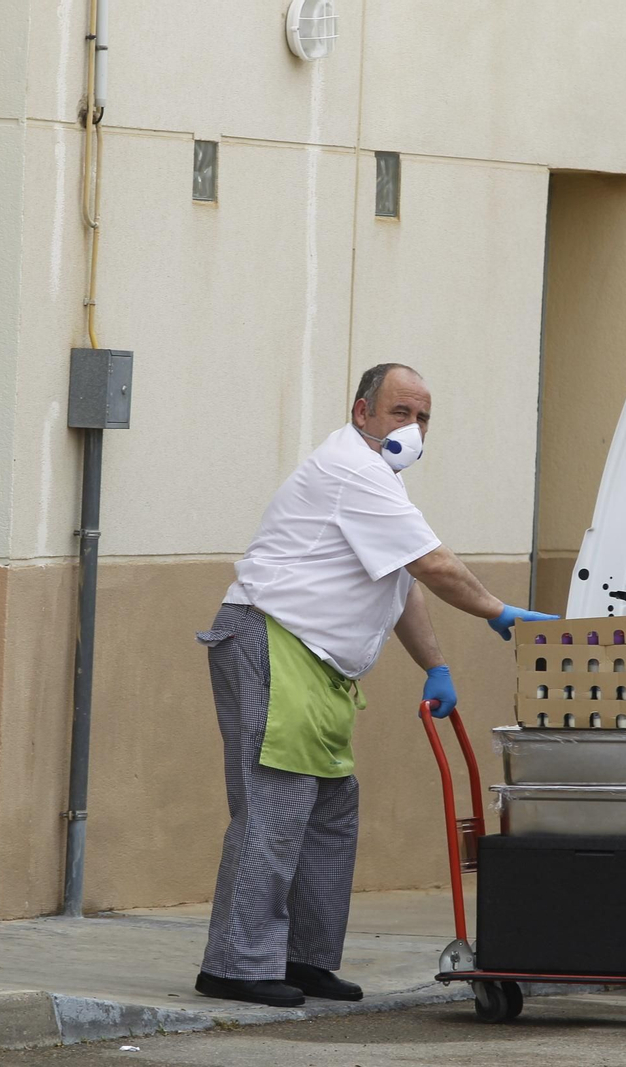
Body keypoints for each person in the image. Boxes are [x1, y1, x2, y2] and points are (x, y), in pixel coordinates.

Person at [193, 362, 558, 1008]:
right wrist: (496, 608)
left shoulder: (381, 482)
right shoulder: (353, 470)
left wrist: (435, 665)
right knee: (275, 807)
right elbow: (432, 564)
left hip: (317, 665)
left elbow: (401, 582)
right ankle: (235, 964)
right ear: (362, 412)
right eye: (400, 412)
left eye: (423, 418)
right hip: (274, 641)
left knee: (330, 811)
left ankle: (304, 959)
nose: (413, 428)